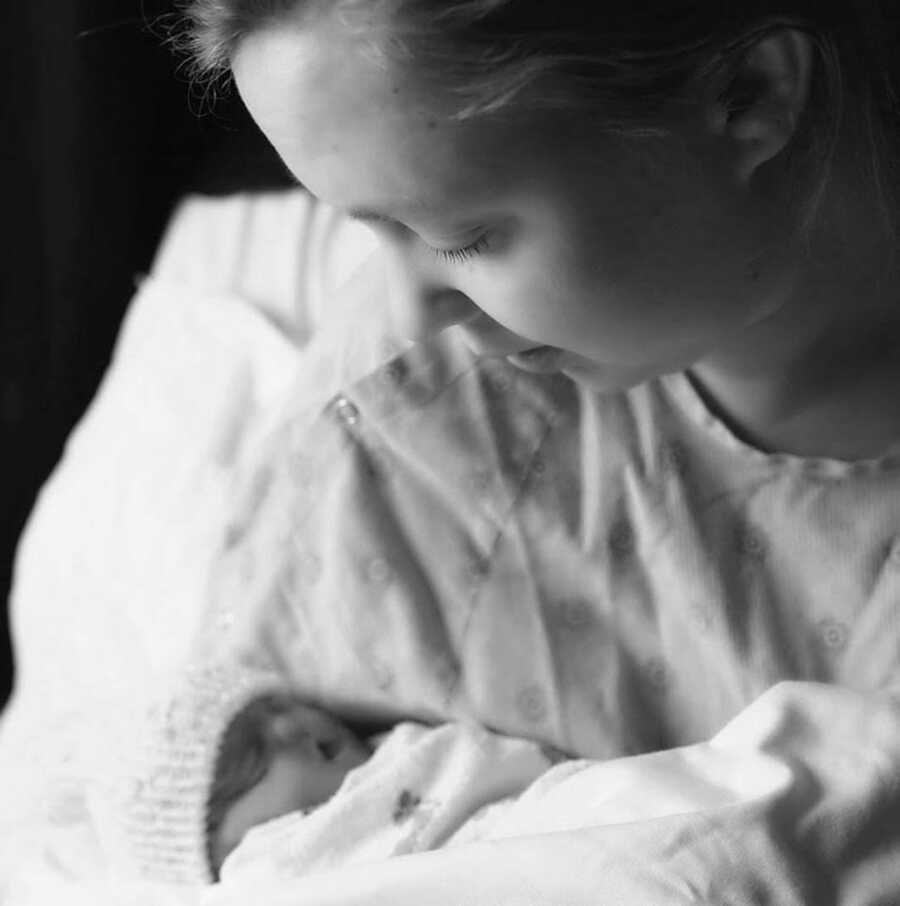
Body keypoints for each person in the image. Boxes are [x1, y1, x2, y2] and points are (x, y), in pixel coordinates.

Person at [16, 0, 900, 901]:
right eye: (365, 227)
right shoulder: (402, 428)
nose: (406, 309)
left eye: (460, 235)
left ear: (751, 97)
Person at [103, 662, 557, 885]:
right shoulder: (267, 876)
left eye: (277, 706)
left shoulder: (403, 752)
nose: (288, 727)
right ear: (219, 856)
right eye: (255, 759)